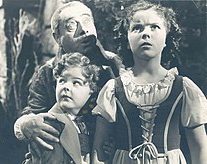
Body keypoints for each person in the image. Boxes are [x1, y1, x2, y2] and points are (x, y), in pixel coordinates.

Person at [92, 1, 207, 164]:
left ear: (167, 37)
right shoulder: (113, 89)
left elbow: (199, 148)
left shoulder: (183, 88)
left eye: (154, 27)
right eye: (137, 28)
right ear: (127, 37)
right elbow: (99, 149)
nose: (146, 34)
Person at [14, 1, 123, 162]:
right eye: (71, 26)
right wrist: (25, 125)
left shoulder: (114, 64)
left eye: (87, 22)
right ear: (57, 37)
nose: (84, 30)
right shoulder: (48, 71)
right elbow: (33, 113)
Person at [26, 52, 100, 164]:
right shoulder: (49, 125)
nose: (66, 87)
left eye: (76, 82)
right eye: (62, 81)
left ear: (92, 90)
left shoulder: (84, 123)